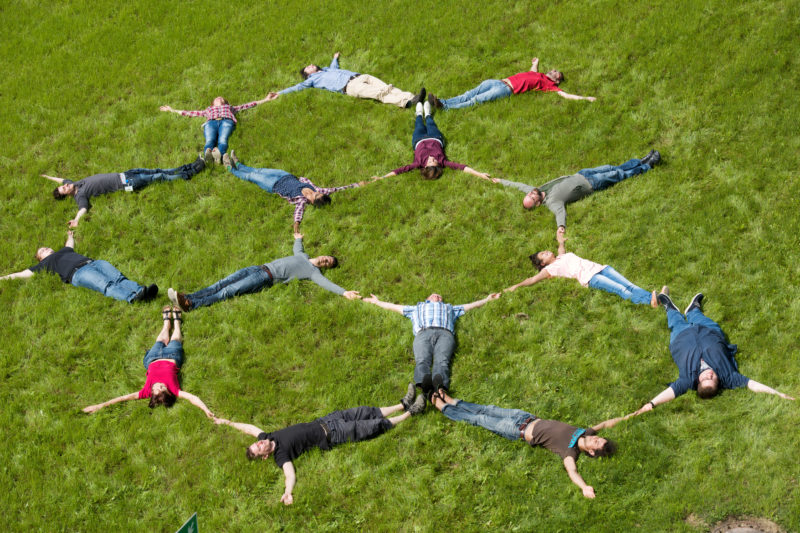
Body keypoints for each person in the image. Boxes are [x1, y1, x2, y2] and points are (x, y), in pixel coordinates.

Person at [213, 384, 425, 505]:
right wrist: (288, 491)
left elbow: (249, 428)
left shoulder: (269, 435)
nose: (259, 443)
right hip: (334, 434)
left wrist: (227, 422)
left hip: (328, 419)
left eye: (256, 443)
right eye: (258, 448)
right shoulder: (281, 455)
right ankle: (410, 413)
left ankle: (402, 403)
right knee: (371, 426)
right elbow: (290, 474)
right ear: (265, 455)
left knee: (367, 411)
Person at [612, 289, 795, 419]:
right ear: (718, 381)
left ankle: (671, 309)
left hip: (681, 339)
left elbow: (670, 392)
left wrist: (650, 405)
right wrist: (778, 394)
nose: (709, 374)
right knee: (701, 318)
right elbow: (751, 384)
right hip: (709, 332)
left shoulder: (687, 381)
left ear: (698, 382)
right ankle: (692, 310)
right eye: (712, 378)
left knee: (675, 323)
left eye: (706, 378)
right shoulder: (728, 376)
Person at [430, 388, 616, 499]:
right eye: (599, 438)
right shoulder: (586, 432)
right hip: (525, 416)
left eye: (597, 442)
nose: (596, 438)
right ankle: (453, 401)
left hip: (516, 429)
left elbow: (572, 471)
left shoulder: (570, 451)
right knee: (488, 409)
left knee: (480, 419)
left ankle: (444, 408)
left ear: (592, 452)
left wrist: (584, 487)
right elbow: (607, 423)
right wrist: (638, 412)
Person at [168, 232, 361, 311]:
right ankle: (188, 296)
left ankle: (191, 304)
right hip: (258, 267)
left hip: (265, 277)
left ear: (324, 267)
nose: (325, 261)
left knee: (227, 291)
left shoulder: (312, 272)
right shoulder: (303, 256)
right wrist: (298, 238)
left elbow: (327, 284)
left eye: (327, 264)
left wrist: (344, 292)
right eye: (327, 258)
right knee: (220, 284)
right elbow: (298, 249)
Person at [485, 151, 661, 235]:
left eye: (529, 194)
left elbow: (519, 185)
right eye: (532, 197)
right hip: (592, 184)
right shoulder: (552, 202)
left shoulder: (538, 189)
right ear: (538, 203)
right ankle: (648, 165)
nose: (531, 193)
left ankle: (640, 160)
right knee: (618, 175)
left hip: (582, 173)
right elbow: (560, 213)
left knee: (612, 167)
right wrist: (561, 227)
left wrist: (501, 181)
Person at [82, 306, 216, 417]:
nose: (161, 385)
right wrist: (205, 410)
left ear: (151, 393)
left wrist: (100, 406)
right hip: (172, 356)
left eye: (157, 388)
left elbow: (122, 398)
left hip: (152, 358)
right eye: (163, 388)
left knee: (160, 340)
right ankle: (176, 323)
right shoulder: (175, 390)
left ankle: (166, 324)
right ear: (169, 392)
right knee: (175, 340)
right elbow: (192, 398)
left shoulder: (145, 391)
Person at [362, 291, 500, 398]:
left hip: (445, 334)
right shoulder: (416, 308)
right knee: (422, 360)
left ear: (442, 301)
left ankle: (440, 388)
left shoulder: (450, 308)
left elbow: (470, 305)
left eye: (439, 296)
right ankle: (425, 386)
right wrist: (377, 302)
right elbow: (394, 307)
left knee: (442, 361)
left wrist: (487, 299)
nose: (436, 296)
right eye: (433, 295)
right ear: (427, 299)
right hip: (423, 333)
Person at [504, 227, 658, 307]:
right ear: (543, 263)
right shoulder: (549, 270)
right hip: (591, 278)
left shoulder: (561, 256)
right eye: (543, 254)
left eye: (544, 251)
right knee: (621, 289)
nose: (547, 251)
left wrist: (560, 237)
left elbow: (560, 246)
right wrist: (515, 286)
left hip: (601, 268)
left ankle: (655, 299)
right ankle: (649, 301)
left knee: (629, 285)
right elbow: (532, 279)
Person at [225, 152, 370, 232]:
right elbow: (338, 189)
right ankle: (239, 164)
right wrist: (357, 184)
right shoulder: (318, 190)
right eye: (318, 193)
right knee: (259, 170)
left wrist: (296, 227)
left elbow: (298, 214)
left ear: (313, 201)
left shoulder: (302, 201)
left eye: (315, 196)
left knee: (252, 177)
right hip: (284, 175)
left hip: (273, 184)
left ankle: (230, 168)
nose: (314, 193)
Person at [44, 157, 205, 228]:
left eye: (64, 186)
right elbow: (83, 209)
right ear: (67, 195)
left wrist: (48, 177)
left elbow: (61, 179)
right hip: (129, 183)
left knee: (159, 170)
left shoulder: (74, 183)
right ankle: (189, 174)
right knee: (160, 176)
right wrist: (77, 219)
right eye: (64, 189)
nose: (66, 186)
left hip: (126, 173)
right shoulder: (80, 196)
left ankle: (190, 165)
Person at [0, 230, 157, 303]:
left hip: (94, 262)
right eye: (42, 251)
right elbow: (23, 273)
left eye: (46, 247)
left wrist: (70, 236)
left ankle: (141, 291)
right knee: (106, 285)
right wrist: (3, 278)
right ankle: (131, 298)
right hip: (78, 274)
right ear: (40, 258)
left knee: (118, 277)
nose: (46, 249)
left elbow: (70, 245)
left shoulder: (64, 250)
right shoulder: (44, 265)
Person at [372, 101, 491, 181]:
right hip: (435, 137)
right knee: (430, 123)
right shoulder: (443, 161)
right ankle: (428, 114)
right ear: (439, 165)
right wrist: (480, 174)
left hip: (418, 140)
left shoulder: (417, 163)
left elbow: (400, 170)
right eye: (434, 161)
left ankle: (419, 113)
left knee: (418, 124)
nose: (432, 159)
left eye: (430, 161)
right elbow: (462, 167)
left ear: (424, 166)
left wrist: (382, 178)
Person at [267, 51, 423, 109]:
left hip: (361, 76)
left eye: (310, 65)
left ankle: (410, 96)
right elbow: (297, 87)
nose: (310, 65)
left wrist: (335, 58)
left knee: (387, 86)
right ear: (308, 75)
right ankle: (406, 103)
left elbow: (333, 66)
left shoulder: (327, 70)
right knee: (379, 93)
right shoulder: (313, 80)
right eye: (307, 68)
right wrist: (279, 93)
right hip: (350, 87)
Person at [428, 57, 595, 110]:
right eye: (553, 70)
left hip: (507, 90)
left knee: (476, 100)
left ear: (556, 80)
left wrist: (586, 98)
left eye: (555, 73)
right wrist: (536, 62)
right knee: (469, 94)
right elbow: (532, 69)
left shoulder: (549, 85)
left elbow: (565, 95)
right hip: (498, 81)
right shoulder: (538, 74)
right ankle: (442, 102)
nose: (552, 71)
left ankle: (446, 108)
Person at [159, 95, 270, 166]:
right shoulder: (208, 110)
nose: (219, 98)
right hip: (210, 123)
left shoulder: (230, 107)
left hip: (226, 121)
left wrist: (265, 99)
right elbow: (190, 113)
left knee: (223, 140)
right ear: (212, 103)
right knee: (209, 141)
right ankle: (208, 156)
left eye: (221, 98)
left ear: (225, 102)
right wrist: (171, 110)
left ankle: (218, 155)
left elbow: (247, 105)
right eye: (217, 98)